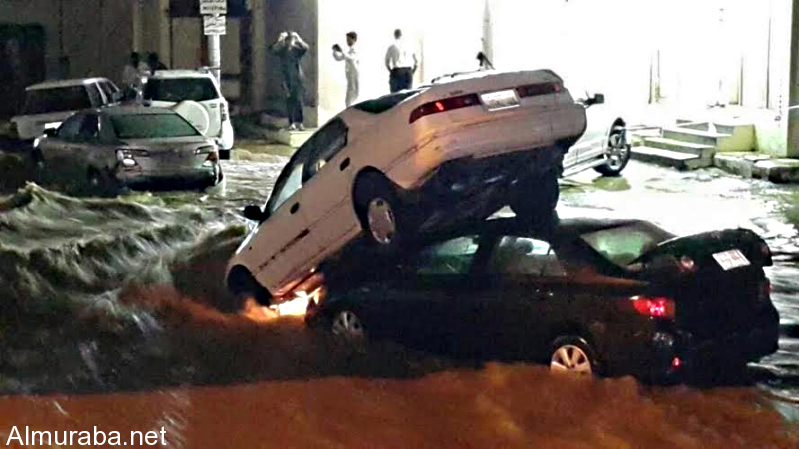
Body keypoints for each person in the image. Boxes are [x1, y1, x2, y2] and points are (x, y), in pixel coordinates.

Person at [271, 31, 309, 131]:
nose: (291, 42)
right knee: (290, 101)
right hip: (287, 79)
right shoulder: (282, 50)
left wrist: (299, 38)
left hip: (297, 78)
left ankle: (299, 122)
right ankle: (292, 123)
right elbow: (273, 50)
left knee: (299, 101)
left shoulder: (297, 50)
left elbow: (306, 48)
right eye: (289, 40)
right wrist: (280, 39)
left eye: (292, 40)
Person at [384, 29, 417, 93]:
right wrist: (412, 72)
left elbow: (386, 62)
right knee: (408, 94)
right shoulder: (409, 46)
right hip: (408, 71)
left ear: (394, 35)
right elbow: (416, 61)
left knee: (395, 94)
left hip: (397, 71)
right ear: (401, 35)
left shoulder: (392, 47)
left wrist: (391, 71)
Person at [332, 31, 360, 107]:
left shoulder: (356, 50)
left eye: (349, 39)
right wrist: (334, 51)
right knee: (350, 96)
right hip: (350, 75)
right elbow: (338, 58)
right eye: (347, 40)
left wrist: (341, 51)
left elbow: (351, 58)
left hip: (355, 74)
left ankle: (352, 110)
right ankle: (350, 109)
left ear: (354, 40)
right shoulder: (348, 51)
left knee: (354, 94)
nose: (347, 41)